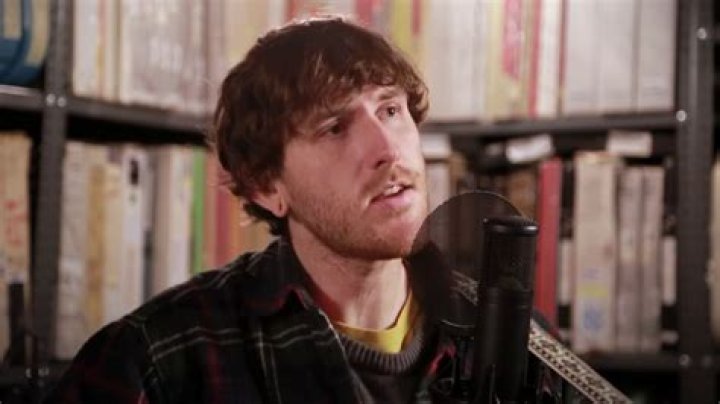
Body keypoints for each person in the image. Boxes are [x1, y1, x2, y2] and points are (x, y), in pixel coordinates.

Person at [46, 16, 440, 403]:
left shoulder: (478, 324)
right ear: (266, 187)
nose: (388, 150)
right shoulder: (152, 363)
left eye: (391, 110)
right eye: (334, 128)